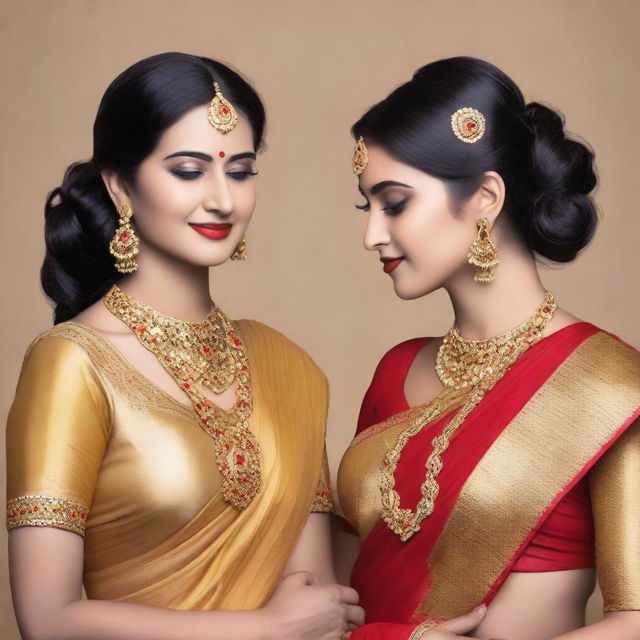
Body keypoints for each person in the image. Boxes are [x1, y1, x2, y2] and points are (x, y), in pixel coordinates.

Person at [6, 52, 363, 640]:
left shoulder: (288, 367)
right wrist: (265, 630)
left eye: (241, 171)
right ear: (121, 187)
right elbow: (47, 620)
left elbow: (315, 606)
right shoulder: (72, 362)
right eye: (189, 170)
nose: (223, 199)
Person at [335, 57, 640, 640]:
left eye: (394, 202)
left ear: (484, 197)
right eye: (365, 206)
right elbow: (342, 601)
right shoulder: (397, 371)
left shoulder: (609, 384)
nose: (372, 234)